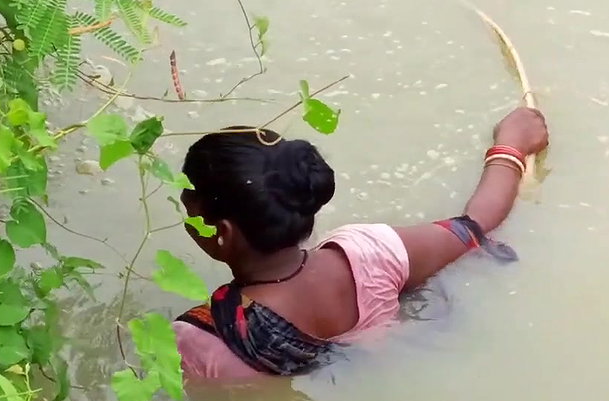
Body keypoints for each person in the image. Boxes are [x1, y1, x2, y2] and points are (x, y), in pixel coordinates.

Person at [172, 105, 550, 380]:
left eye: (186, 204)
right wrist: (511, 143)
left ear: (221, 233)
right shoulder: (368, 252)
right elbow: (475, 226)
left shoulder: (200, 339)